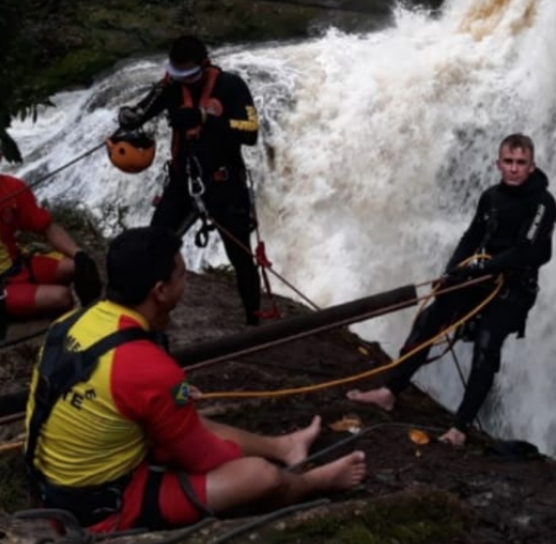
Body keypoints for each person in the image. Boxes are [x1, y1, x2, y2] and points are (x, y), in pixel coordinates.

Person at [24, 226, 367, 532]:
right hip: (102, 507)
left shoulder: (70, 322)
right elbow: (207, 460)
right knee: (259, 475)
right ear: (160, 290)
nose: (185, 283)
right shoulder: (146, 368)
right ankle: (313, 481)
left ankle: (284, 446)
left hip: (52, 482)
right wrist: (237, 458)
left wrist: (178, 406)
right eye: (183, 276)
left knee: (182, 415)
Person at [347, 133, 556, 447]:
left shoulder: (542, 202)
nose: (514, 169)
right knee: (430, 319)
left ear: (532, 166)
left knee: (487, 343)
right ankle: (389, 392)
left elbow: (525, 251)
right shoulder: (491, 197)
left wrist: (477, 269)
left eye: (520, 163)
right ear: (498, 164)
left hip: (514, 288)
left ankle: (459, 428)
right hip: (479, 278)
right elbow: (471, 237)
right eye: (508, 162)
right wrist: (451, 273)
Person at [117, 35, 263, 325]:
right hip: (184, 182)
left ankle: (254, 319)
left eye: (189, 74)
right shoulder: (172, 87)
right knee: (156, 244)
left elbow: (251, 131)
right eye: (177, 73)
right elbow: (143, 110)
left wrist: (204, 118)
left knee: (241, 256)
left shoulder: (230, 86)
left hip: (225, 184)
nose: (184, 80)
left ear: (204, 65)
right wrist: (129, 118)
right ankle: (147, 317)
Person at [0, 158, 102, 329]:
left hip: (17, 268)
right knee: (61, 297)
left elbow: (47, 227)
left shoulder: (9, 188)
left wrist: (78, 253)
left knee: (77, 266)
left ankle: (95, 318)